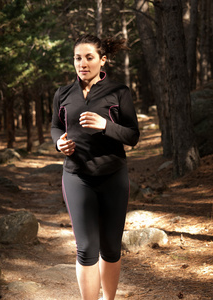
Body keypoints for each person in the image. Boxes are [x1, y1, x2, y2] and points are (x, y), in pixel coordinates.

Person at [51, 34, 139, 300]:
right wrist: (59, 143)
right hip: (76, 177)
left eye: (89, 58)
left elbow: (133, 136)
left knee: (111, 248)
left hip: (113, 175)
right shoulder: (63, 93)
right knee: (86, 248)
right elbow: (56, 126)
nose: (83, 63)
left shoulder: (119, 92)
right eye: (78, 58)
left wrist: (106, 126)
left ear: (103, 60)